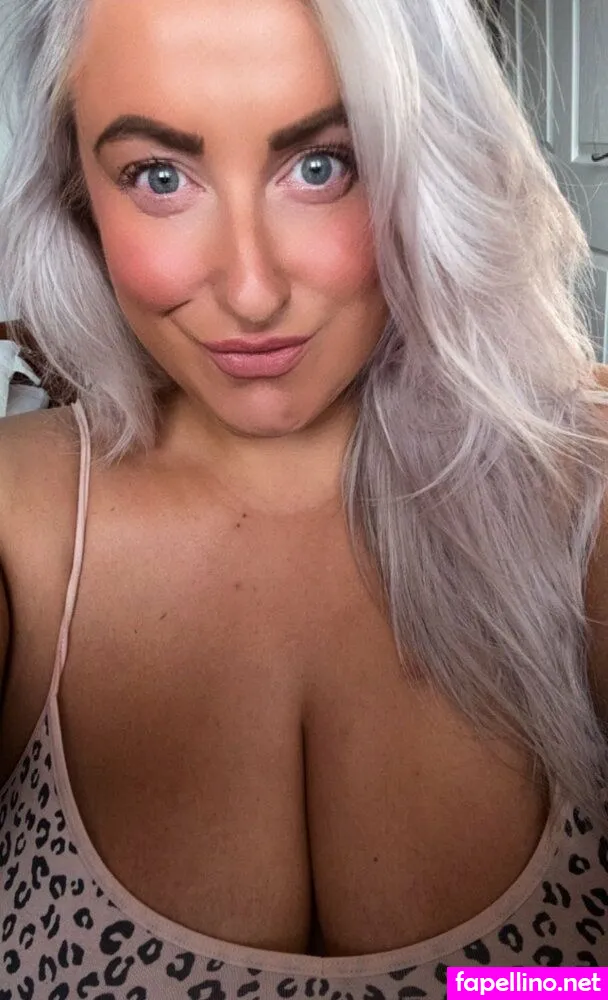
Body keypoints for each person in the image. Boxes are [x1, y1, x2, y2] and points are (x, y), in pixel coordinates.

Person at [0, 0, 607, 993]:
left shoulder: (585, 506)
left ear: (424, 165)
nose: (251, 291)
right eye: (160, 177)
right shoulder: (17, 523)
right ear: (77, 189)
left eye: (322, 165)